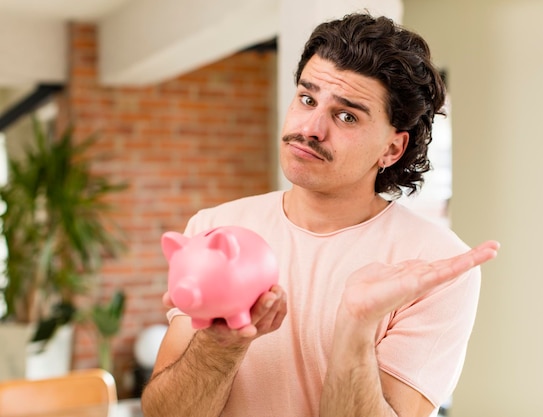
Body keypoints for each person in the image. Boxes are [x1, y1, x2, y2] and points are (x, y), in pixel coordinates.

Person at [141, 12, 499, 417]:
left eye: (346, 116)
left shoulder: (435, 266)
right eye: (307, 99)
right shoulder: (215, 230)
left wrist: (356, 327)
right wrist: (221, 345)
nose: (311, 127)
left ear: (392, 150)